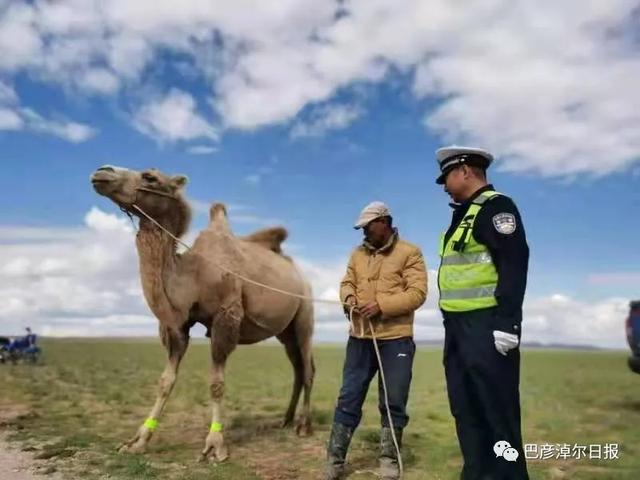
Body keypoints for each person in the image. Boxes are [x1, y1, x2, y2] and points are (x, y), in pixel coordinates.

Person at [435, 146, 530, 479]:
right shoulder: (465, 212)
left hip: (486, 328)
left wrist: (507, 323)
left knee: (496, 413)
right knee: (466, 410)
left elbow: (514, 263)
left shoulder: (497, 207)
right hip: (458, 330)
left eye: (446, 176)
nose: (444, 185)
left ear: (464, 171)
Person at [325, 201, 428, 480]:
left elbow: (418, 293)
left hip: (396, 340)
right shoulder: (356, 254)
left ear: (384, 222)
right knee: (348, 398)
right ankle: (334, 462)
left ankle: (388, 461)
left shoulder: (410, 252)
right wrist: (348, 300)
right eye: (362, 228)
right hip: (359, 338)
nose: (364, 233)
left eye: (368, 227)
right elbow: (347, 282)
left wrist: (381, 305)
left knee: (393, 401)